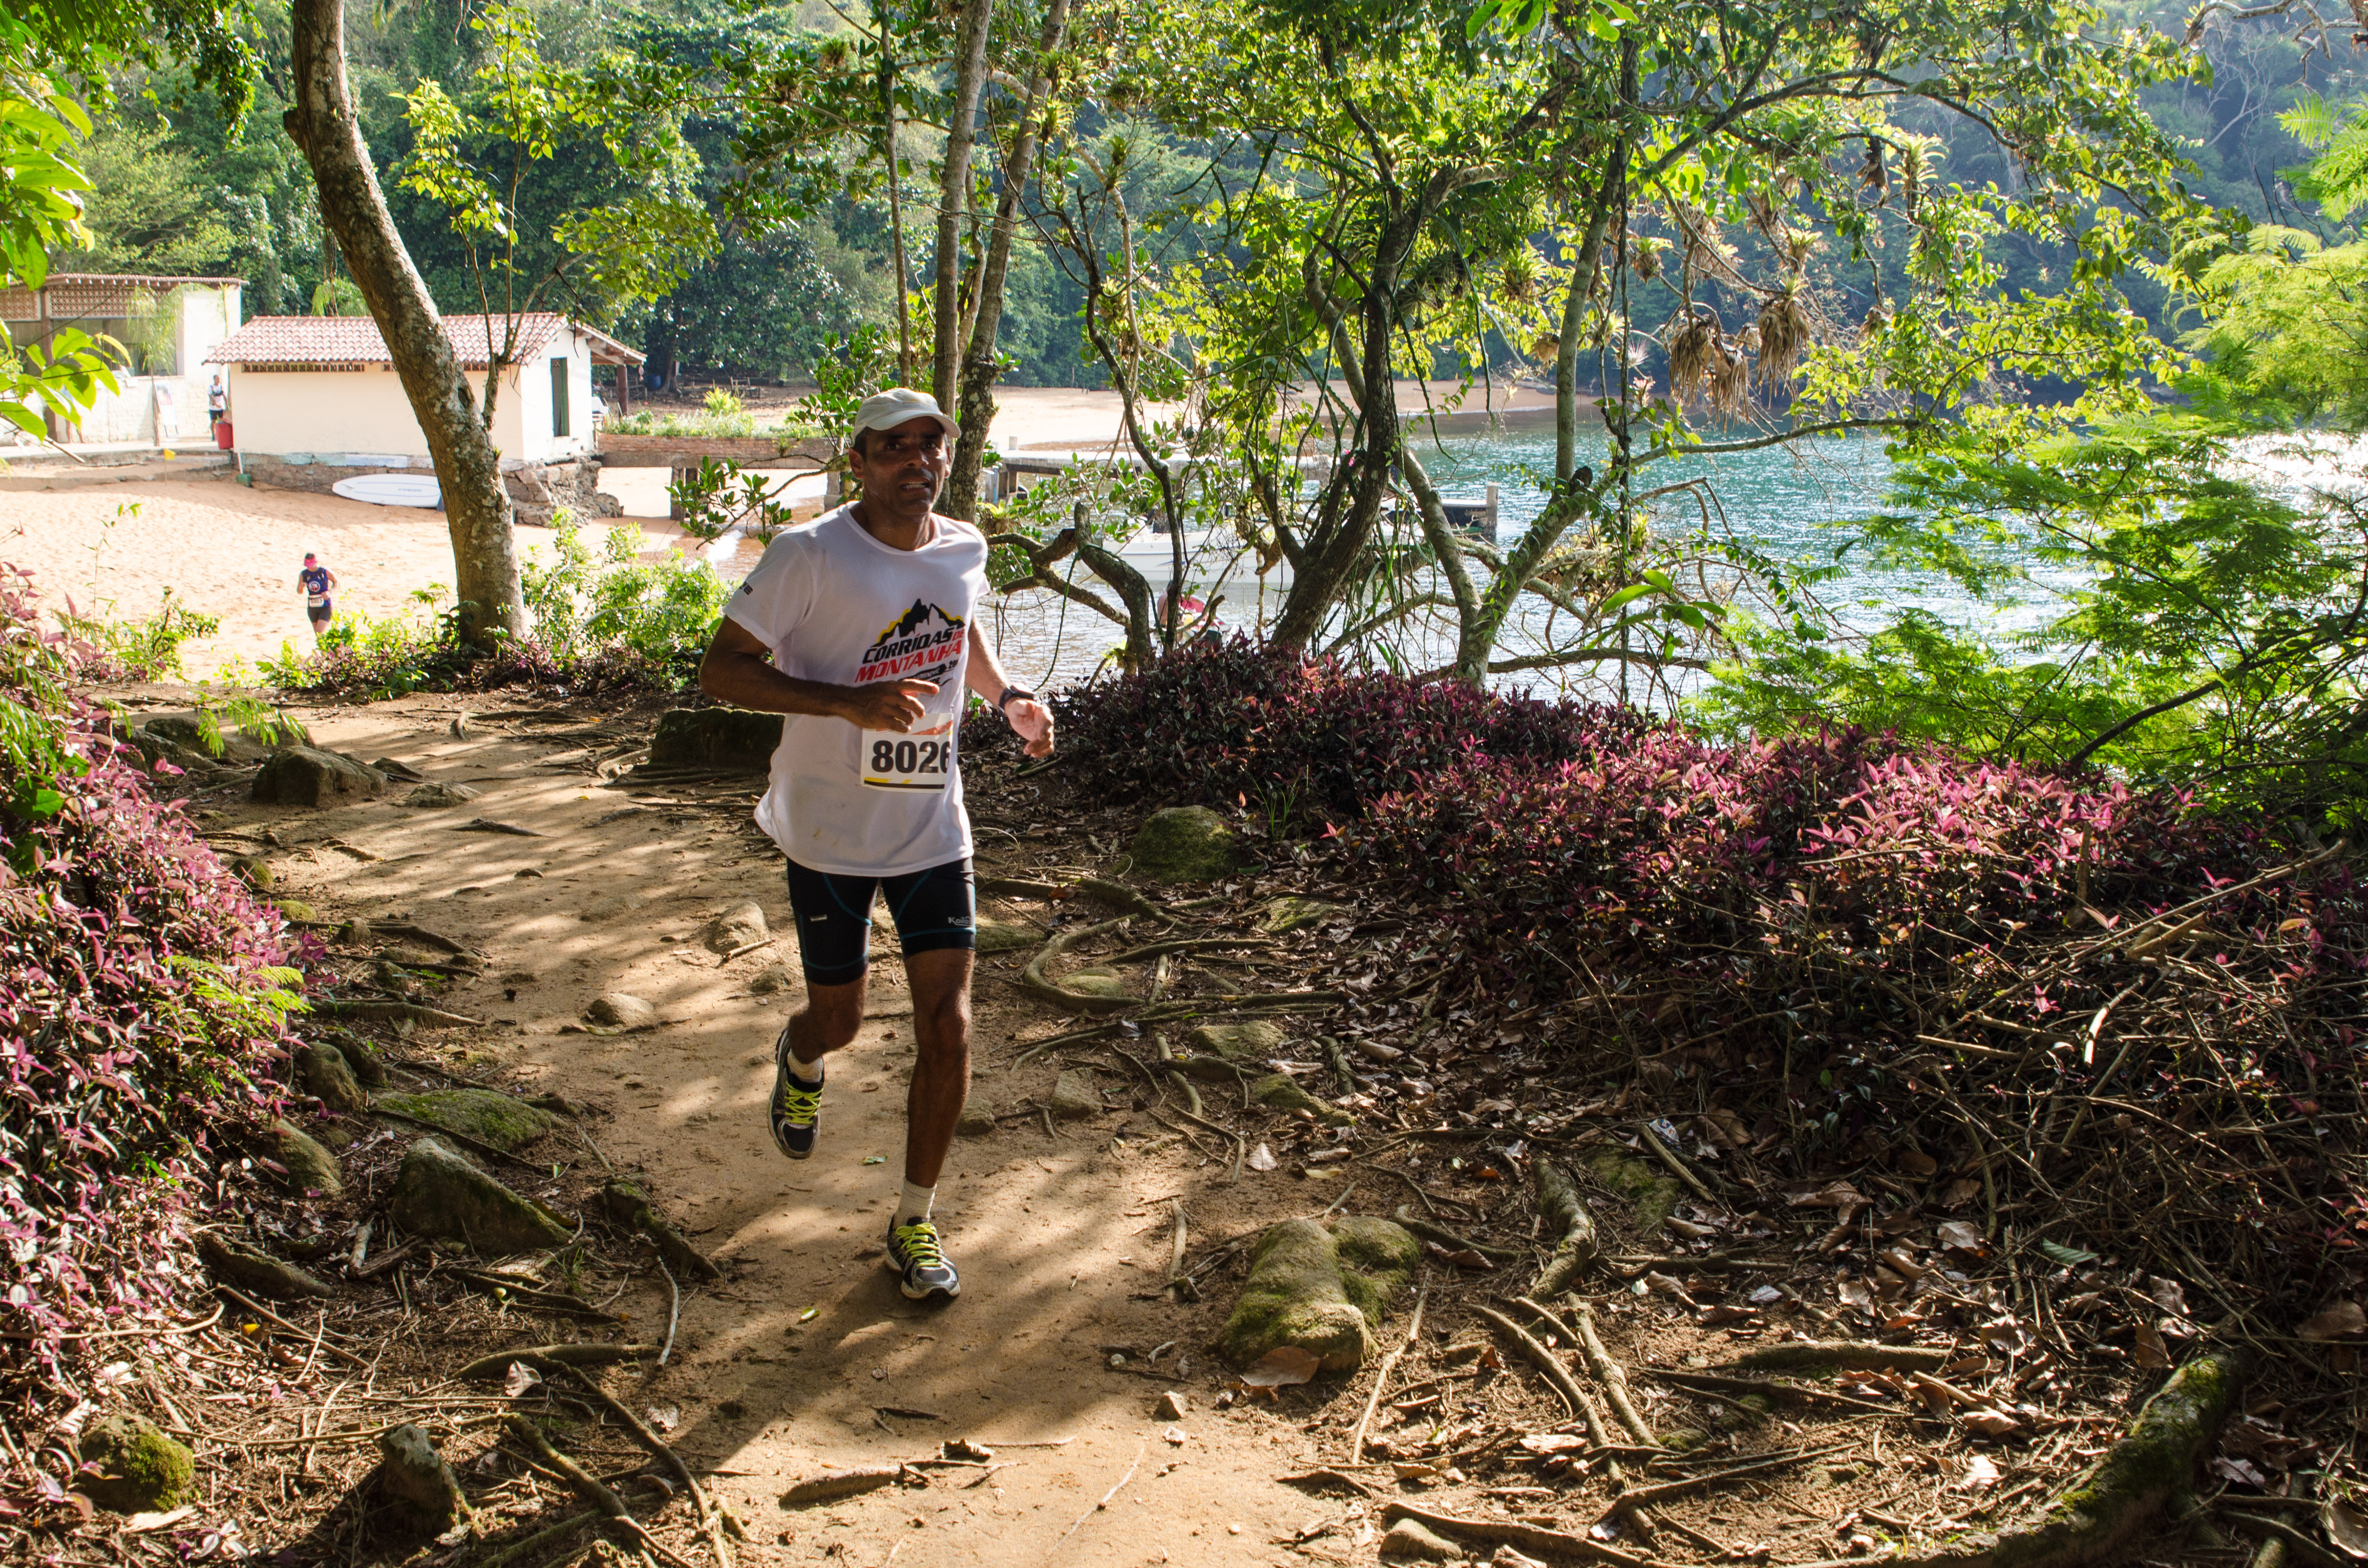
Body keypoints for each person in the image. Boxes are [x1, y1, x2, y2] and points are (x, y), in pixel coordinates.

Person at [697, 388, 1054, 1302]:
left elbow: (956, 625)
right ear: (855, 460)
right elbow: (719, 670)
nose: (914, 463)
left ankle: (912, 1220)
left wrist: (1006, 695)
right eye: (892, 448)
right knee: (843, 1019)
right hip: (827, 829)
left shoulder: (963, 547)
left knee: (951, 1023)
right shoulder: (807, 554)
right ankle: (803, 1054)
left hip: (932, 822)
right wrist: (844, 703)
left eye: (928, 446)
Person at [297, 553, 337, 636]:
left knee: (320, 632)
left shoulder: (325, 572)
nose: (309, 567)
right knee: (318, 635)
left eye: (311, 565)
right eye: (307, 565)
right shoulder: (304, 574)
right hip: (312, 608)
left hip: (325, 607)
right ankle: (326, 648)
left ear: (316, 562)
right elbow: (299, 592)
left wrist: (329, 592)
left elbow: (336, 583)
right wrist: (301, 587)